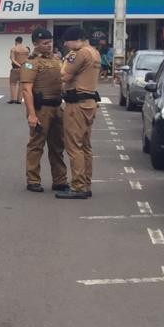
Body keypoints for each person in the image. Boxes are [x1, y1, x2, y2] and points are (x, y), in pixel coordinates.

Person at [19, 28, 69, 193]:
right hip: (41, 109)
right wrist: (32, 114)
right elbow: (27, 90)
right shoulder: (31, 63)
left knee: (58, 146)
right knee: (36, 145)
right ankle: (33, 180)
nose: (49, 45)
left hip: (56, 107)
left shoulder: (56, 60)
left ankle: (60, 180)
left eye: (50, 42)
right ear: (35, 44)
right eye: (45, 43)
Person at [58, 27, 100, 200]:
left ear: (74, 40)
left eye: (67, 42)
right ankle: (86, 183)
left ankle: (78, 186)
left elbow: (64, 76)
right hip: (89, 103)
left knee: (74, 146)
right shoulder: (94, 53)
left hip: (76, 104)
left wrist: (63, 61)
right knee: (85, 146)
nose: (66, 46)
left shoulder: (79, 53)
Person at [8, 36, 30, 104]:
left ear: (16, 41)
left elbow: (12, 59)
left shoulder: (14, 49)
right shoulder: (26, 49)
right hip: (24, 69)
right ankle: (19, 100)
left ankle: (13, 99)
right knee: (21, 84)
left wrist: (18, 65)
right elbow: (27, 59)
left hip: (15, 68)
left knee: (13, 83)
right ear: (21, 41)